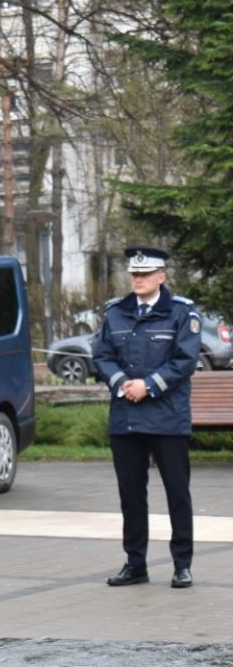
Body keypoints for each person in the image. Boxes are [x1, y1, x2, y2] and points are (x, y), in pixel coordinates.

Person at [93, 246, 201, 590]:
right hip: (126, 417)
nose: (137, 279)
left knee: (177, 494)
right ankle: (135, 564)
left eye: (145, 274)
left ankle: (182, 565)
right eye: (134, 274)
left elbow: (185, 360)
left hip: (168, 418)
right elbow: (101, 355)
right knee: (131, 496)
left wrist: (149, 386)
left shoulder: (181, 312)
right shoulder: (116, 312)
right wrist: (121, 383)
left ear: (161, 276)